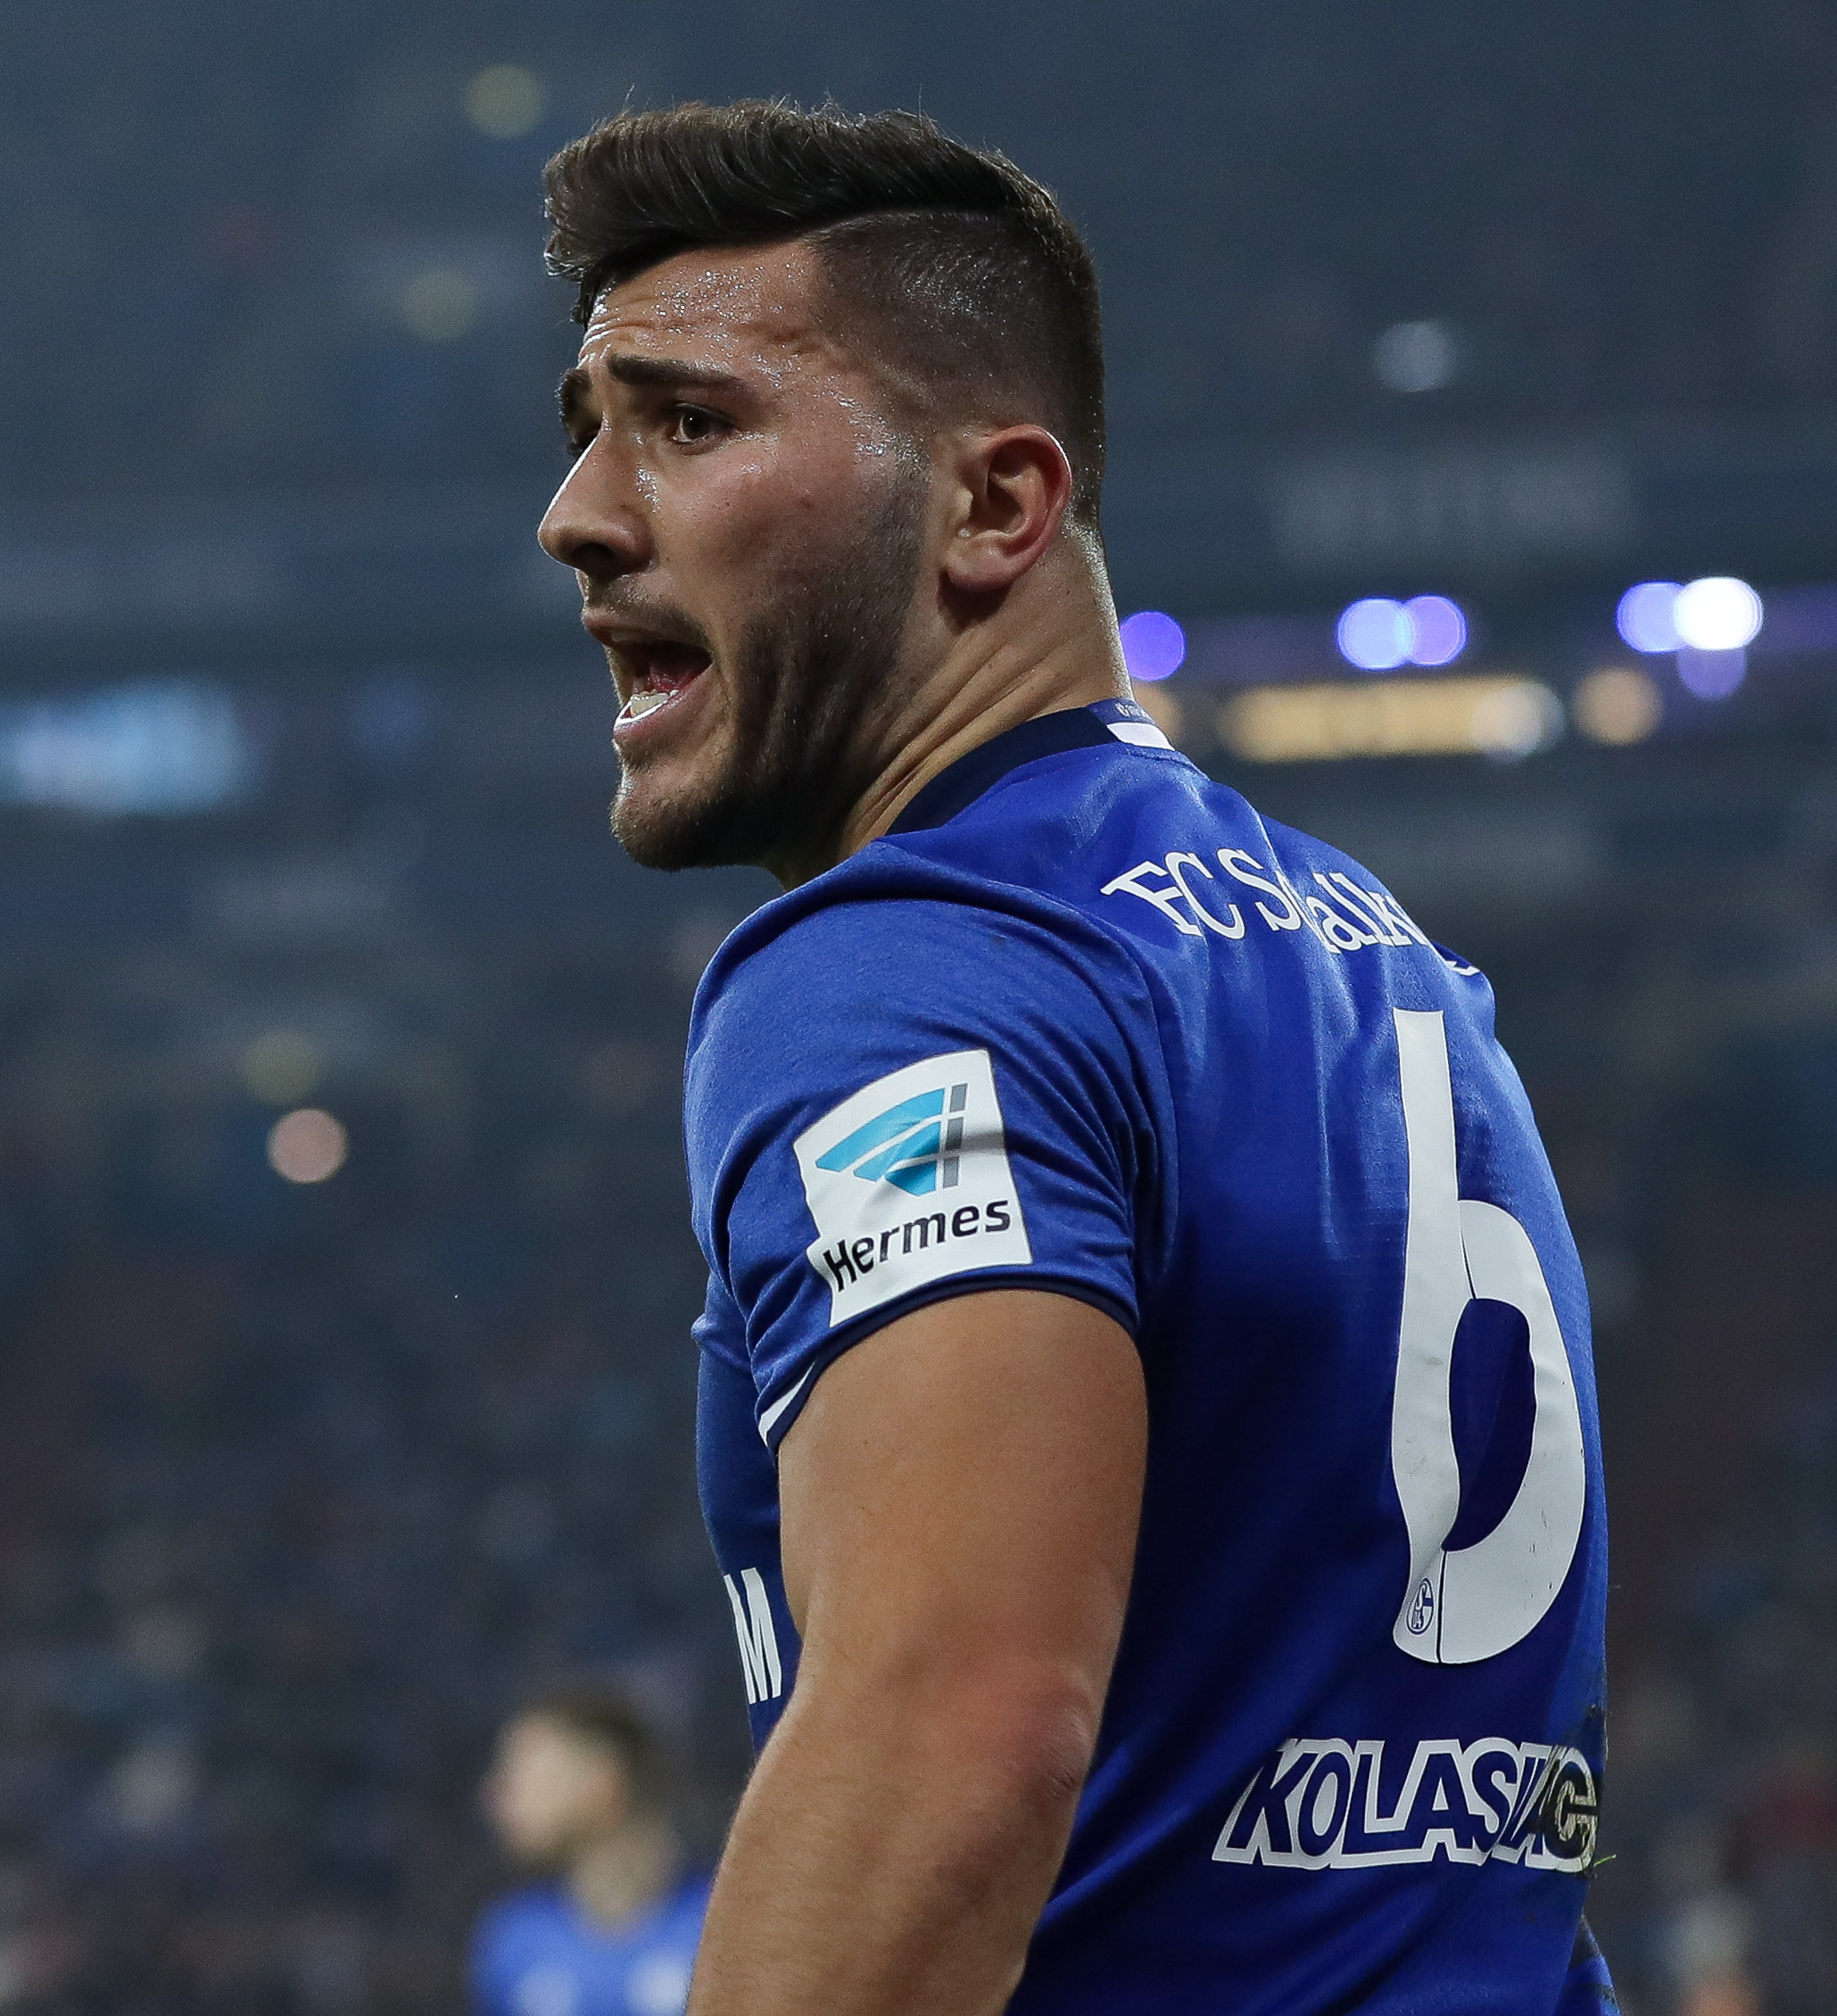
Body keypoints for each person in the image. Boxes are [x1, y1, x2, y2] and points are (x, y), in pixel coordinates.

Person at [534, 100, 1612, 2016]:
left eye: (689, 422)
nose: (582, 515)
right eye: (589, 430)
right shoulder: (1380, 957)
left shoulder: (911, 967)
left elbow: (957, 1731)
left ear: (995, 505)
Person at [472, 1688, 713, 2016]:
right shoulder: (513, 1940)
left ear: (602, 1782)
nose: (493, 1795)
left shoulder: (720, 1924)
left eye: (520, 1768)